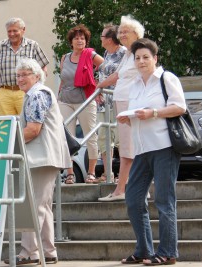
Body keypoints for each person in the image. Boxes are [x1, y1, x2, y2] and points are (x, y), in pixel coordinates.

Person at [117, 38, 186, 265]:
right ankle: (144, 250)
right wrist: (130, 119)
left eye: (146, 57)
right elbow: (138, 113)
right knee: (133, 199)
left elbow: (180, 107)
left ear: (155, 59)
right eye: (137, 58)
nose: (141, 61)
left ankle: (167, 252)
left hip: (164, 146)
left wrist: (153, 113)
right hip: (142, 149)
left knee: (164, 201)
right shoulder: (135, 84)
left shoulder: (167, 78)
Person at [4, 58, 71, 265]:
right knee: (43, 206)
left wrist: (6, 143)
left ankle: (29, 253)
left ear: (37, 76)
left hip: (41, 157)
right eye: (18, 75)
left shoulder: (36, 94)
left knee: (34, 206)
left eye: (25, 74)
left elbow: (33, 129)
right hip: (44, 157)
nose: (21, 78)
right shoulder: (37, 94)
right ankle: (48, 251)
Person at [98, 15, 144, 200]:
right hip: (122, 102)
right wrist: (99, 86)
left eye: (126, 31)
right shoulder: (127, 53)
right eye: (121, 31)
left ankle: (121, 190)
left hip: (131, 103)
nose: (122, 34)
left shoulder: (140, 51)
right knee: (127, 148)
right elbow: (117, 75)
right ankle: (130, 188)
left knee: (128, 148)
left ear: (136, 33)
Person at [58, 24, 104, 184]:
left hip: (85, 100)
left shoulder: (90, 55)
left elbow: (105, 66)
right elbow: (63, 80)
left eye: (82, 38)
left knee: (90, 135)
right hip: (65, 100)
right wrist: (58, 97)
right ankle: (69, 173)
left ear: (86, 41)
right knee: (66, 138)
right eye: (76, 38)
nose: (80, 40)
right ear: (71, 41)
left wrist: (97, 82)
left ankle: (91, 173)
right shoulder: (65, 57)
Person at [0, 17, 50, 116]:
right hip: (5, 92)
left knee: (27, 122)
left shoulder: (33, 45)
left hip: (26, 92)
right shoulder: (0, 46)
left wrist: (37, 89)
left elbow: (43, 68)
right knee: (7, 126)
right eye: (9, 31)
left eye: (15, 30)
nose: (12, 34)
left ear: (23, 30)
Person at [93, 24, 126, 183]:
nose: (100, 38)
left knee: (121, 138)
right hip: (104, 102)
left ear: (111, 39)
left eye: (103, 36)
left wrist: (101, 86)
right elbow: (102, 75)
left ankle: (125, 175)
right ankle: (108, 173)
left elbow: (121, 76)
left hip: (119, 101)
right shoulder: (106, 53)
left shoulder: (124, 53)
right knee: (104, 138)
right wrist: (98, 92)